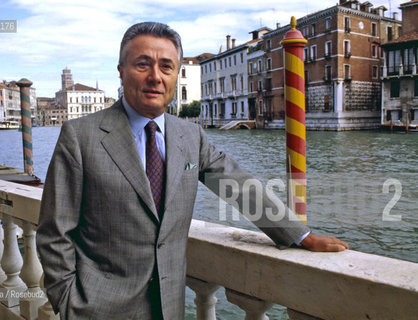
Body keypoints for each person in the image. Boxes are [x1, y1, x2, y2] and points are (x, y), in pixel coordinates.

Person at [36, 21, 348, 320]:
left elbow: (238, 186)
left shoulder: (190, 135)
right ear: (121, 72)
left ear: (175, 75)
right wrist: (69, 302)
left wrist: (300, 236)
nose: (155, 76)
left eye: (166, 67)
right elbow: (54, 233)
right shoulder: (80, 136)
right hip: (97, 310)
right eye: (143, 64)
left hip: (169, 307)